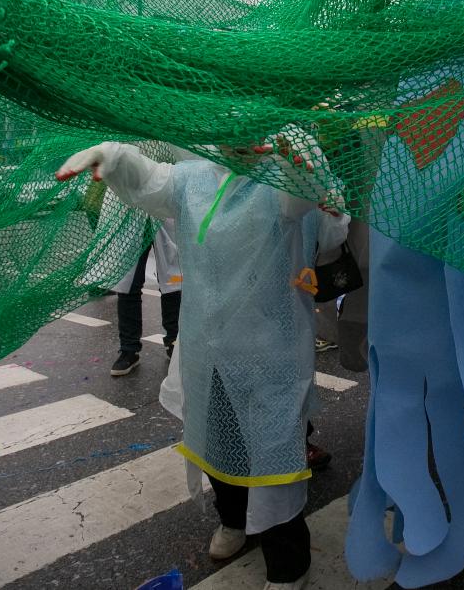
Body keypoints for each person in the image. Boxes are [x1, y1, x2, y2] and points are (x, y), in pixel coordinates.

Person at [57, 135, 346, 590]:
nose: (231, 136)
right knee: (217, 441)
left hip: (270, 351)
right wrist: (115, 157)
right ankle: (232, 521)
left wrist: (299, 167)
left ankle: (288, 565)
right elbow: (150, 181)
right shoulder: (194, 178)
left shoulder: (277, 176)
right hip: (207, 347)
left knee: (273, 459)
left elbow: (312, 208)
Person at [108, 220, 182, 376]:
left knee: (173, 281)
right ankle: (129, 349)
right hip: (132, 218)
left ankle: (174, 341)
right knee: (129, 283)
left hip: (164, 213)